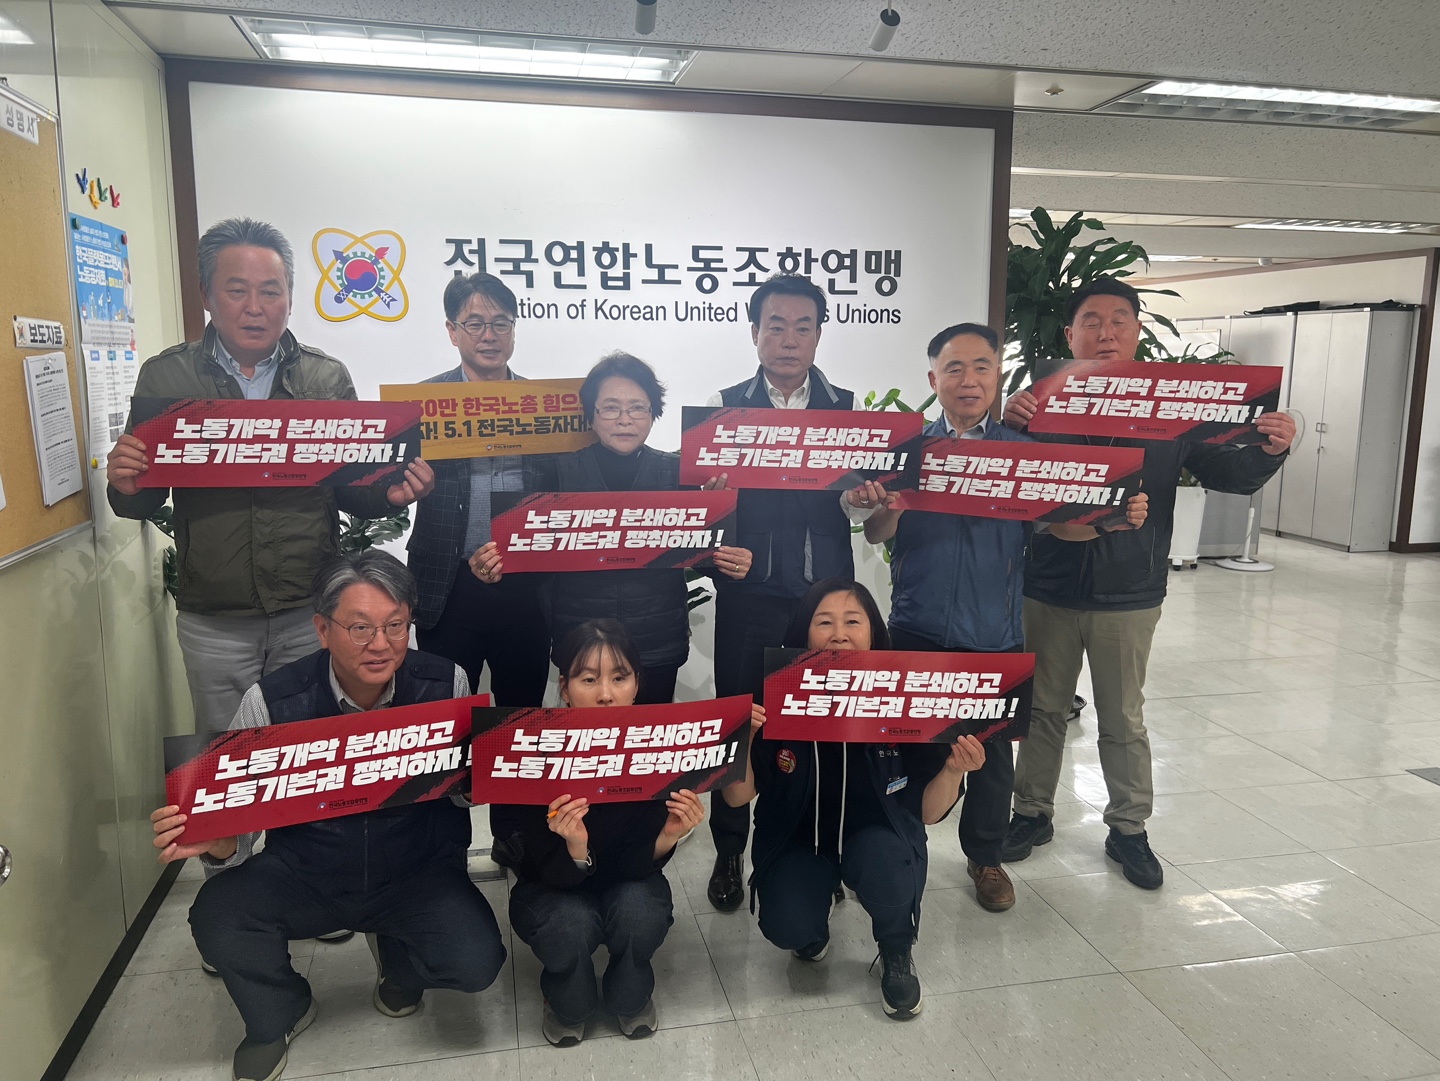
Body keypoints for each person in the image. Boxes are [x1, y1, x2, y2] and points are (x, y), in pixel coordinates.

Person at [148, 551, 505, 1081]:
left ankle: (399, 962)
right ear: (322, 629)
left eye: (395, 625)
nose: (381, 644)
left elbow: (458, 795)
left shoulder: (445, 680)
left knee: (476, 963)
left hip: (416, 868)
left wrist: (482, 777)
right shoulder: (271, 700)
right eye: (360, 628)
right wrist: (219, 842)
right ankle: (281, 1009)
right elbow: (238, 835)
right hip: (306, 871)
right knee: (219, 916)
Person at [1001, 277, 1295, 889]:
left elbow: (1228, 474)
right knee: (1043, 709)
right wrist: (1010, 423)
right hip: (1047, 583)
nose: (1105, 332)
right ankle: (1031, 813)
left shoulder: (1171, 407)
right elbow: (1010, 482)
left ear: (1137, 332)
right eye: (1091, 321)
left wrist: (1270, 449)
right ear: (1070, 334)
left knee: (1122, 717)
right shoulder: (1040, 402)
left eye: (1118, 321)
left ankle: (1128, 828)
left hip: (1129, 590)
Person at [106, 218, 434, 735]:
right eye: (237, 290)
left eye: (270, 291)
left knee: (308, 744)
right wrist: (127, 487)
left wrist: (388, 495)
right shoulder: (167, 376)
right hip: (214, 615)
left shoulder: (325, 378)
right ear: (207, 296)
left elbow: (350, 491)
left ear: (290, 298)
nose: (255, 307)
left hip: (308, 608)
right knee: (228, 751)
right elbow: (140, 498)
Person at [862, 323, 1149, 913]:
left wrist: (1110, 519)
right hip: (916, 623)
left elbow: (1060, 526)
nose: (968, 380)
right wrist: (893, 505)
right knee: (913, 746)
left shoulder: (1022, 453)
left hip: (994, 633)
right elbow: (875, 532)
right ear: (933, 379)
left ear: (997, 376)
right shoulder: (907, 450)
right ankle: (900, 844)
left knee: (991, 758)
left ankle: (985, 858)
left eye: (981, 367)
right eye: (954, 368)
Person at [722, 578, 985, 1019]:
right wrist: (741, 742)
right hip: (800, 836)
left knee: (888, 869)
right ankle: (814, 919)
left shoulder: (907, 692)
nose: (839, 634)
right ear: (804, 632)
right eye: (824, 622)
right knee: (788, 926)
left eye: (852, 622)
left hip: (878, 833)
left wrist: (954, 769)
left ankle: (897, 947)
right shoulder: (774, 690)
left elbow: (928, 812)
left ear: (874, 632)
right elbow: (738, 797)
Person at [700, 272, 878, 912]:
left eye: (803, 327)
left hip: (823, 603)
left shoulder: (848, 414)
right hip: (748, 596)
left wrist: (864, 498)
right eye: (775, 326)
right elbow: (703, 511)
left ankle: (816, 848)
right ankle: (729, 850)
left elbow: (859, 508)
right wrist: (712, 506)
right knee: (737, 725)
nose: (789, 339)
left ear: (819, 335)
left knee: (820, 727)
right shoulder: (725, 410)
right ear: (755, 333)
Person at [470, 351, 753, 705]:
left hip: (657, 644)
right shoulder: (557, 474)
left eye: (637, 407)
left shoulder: (678, 475)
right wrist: (496, 567)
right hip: (582, 643)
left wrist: (733, 562)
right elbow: (531, 566)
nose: (624, 419)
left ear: (653, 414)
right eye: (610, 408)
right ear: (591, 415)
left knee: (648, 738)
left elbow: (708, 560)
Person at [499, 620, 708, 1046]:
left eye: (619, 677)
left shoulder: (659, 744)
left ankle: (630, 986)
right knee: (568, 928)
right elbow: (541, 869)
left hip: (629, 880)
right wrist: (576, 845)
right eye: (589, 679)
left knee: (640, 913)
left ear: (636, 685)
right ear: (565, 686)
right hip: (552, 887)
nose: (606, 694)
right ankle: (565, 992)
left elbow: (638, 868)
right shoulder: (533, 745)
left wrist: (668, 835)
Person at [407, 271, 550, 706]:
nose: (489, 335)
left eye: (501, 323)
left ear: (514, 330)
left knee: (519, 717)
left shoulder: (545, 405)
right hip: (448, 583)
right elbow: (386, 485)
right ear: (453, 331)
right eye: (475, 324)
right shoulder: (421, 405)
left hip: (526, 585)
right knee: (445, 718)